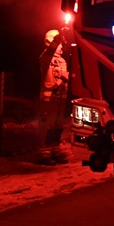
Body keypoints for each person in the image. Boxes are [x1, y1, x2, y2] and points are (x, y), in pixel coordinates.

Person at [36, 28, 70, 165]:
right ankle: (43, 153)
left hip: (61, 98)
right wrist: (60, 35)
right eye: (59, 42)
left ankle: (55, 150)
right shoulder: (45, 57)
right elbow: (51, 50)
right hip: (49, 98)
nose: (62, 45)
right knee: (47, 126)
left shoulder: (62, 61)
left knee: (58, 126)